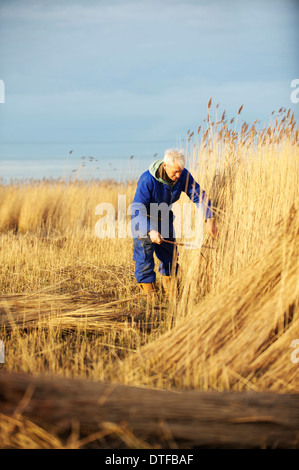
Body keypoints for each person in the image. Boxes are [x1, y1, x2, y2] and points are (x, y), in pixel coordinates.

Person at [131, 148, 216, 300]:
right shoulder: (147, 180)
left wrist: (209, 218)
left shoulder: (183, 176)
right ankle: (148, 292)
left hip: (164, 217)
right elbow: (137, 210)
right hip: (144, 219)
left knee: (170, 255)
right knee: (144, 256)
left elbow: (199, 195)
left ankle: (170, 289)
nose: (178, 176)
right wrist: (150, 231)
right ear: (165, 166)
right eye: (175, 172)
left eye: (180, 171)